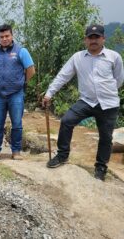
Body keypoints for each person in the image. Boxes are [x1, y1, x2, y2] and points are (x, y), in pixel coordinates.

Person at [43, 24, 124, 181]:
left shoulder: (114, 57)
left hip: (108, 104)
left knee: (106, 137)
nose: (93, 40)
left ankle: (101, 167)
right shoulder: (78, 57)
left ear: (103, 38)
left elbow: (119, 79)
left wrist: (107, 91)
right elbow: (63, 76)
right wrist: (49, 93)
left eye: (96, 37)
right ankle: (62, 155)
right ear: (85, 40)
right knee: (67, 121)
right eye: (90, 37)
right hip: (86, 101)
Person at [0, 24, 35, 162]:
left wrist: (21, 82)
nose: (4, 39)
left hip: (16, 94)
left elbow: (31, 70)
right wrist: (1, 82)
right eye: (1, 37)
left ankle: (16, 151)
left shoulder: (21, 51)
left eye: (7, 36)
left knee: (17, 124)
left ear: (12, 36)